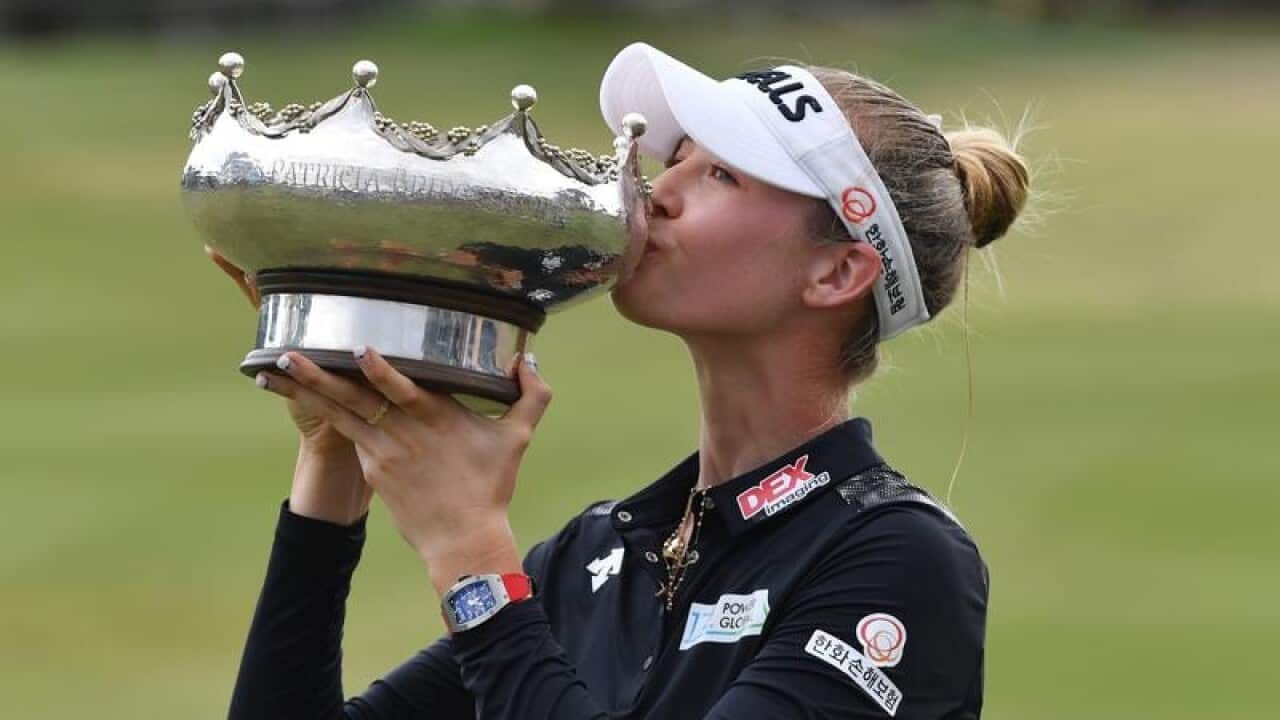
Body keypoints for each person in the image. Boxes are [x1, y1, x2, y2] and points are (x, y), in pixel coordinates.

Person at [219, 42, 1030, 719]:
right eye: (672, 160)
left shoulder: (898, 562)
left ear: (837, 272)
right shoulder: (597, 554)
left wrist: (472, 558)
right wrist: (335, 459)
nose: (651, 193)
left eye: (721, 176)